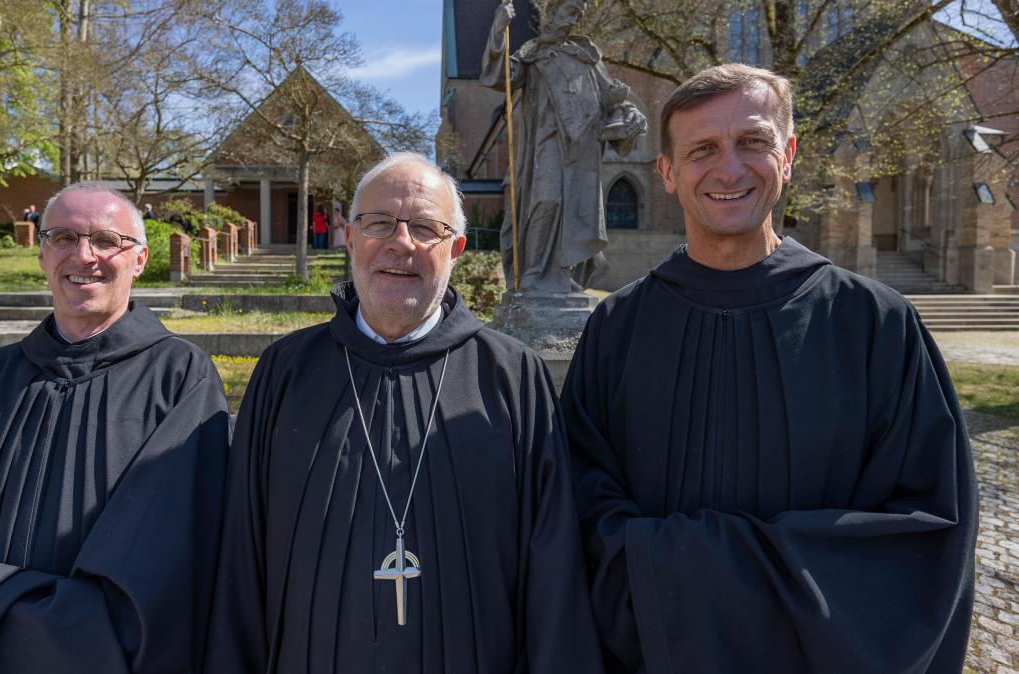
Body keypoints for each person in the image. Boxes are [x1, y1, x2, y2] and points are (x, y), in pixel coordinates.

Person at [564, 64, 977, 673]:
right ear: (668, 173)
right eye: (703, 149)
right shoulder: (616, 329)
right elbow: (580, 498)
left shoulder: (876, 324)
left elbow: (925, 524)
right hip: (654, 653)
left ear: (787, 156)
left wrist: (683, 563)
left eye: (752, 143)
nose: (729, 169)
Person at [206, 152, 604, 674]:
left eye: (424, 228)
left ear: (456, 249)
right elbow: (241, 551)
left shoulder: (510, 376)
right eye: (379, 223)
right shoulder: (286, 372)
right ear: (350, 236)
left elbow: (554, 568)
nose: (401, 243)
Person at [0, 183, 230, 673]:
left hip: (107, 651)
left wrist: (57, 625)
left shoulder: (180, 377)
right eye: (64, 237)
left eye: (106, 240)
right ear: (41, 254)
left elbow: (175, 536)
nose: (84, 255)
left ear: (138, 259)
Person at [483, 0, 646, 292]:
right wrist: (498, 29)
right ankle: (535, 274)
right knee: (547, 200)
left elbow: (612, 100)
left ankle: (563, 275)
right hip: (546, 142)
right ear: (552, 13)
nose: (573, 20)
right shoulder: (533, 54)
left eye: (578, 15)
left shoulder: (587, 57)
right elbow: (501, 77)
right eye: (570, 12)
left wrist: (629, 114)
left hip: (583, 150)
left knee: (577, 211)